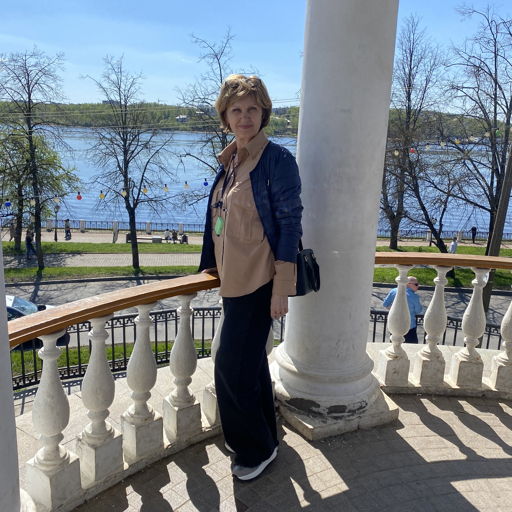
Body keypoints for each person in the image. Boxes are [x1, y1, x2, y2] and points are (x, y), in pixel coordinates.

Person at [198, 74, 302, 481]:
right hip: (233, 281)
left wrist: (282, 288)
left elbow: (290, 225)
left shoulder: (277, 161)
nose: (245, 117)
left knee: (230, 366)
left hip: (259, 283)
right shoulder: (231, 161)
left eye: (252, 109)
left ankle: (254, 449)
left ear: (264, 113)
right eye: (236, 109)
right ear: (225, 116)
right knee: (251, 363)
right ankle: (265, 437)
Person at [383, 276, 423, 343]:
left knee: (394, 345)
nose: (418, 286)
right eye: (416, 284)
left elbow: (385, 304)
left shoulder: (393, 291)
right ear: (408, 284)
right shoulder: (414, 296)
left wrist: (395, 310)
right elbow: (418, 310)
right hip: (409, 326)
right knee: (411, 346)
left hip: (394, 324)